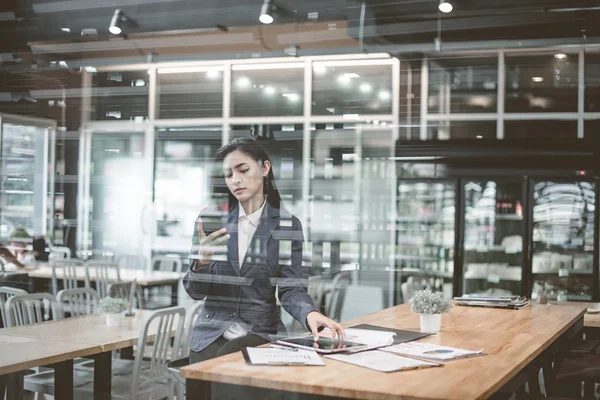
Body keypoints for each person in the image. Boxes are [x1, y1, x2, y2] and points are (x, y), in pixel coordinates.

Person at [184, 137, 345, 364]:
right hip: (211, 340)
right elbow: (195, 292)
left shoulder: (287, 225)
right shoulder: (210, 220)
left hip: (261, 339)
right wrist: (201, 262)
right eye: (229, 174)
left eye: (243, 170)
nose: (236, 180)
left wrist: (310, 313)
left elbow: (291, 289)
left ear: (265, 168)